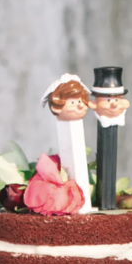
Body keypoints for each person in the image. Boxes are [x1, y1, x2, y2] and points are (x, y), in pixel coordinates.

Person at [41, 74, 93, 212]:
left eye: (82, 100)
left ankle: (83, 205)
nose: (80, 106)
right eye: (73, 102)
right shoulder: (65, 127)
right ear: (56, 107)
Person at [89, 66, 130, 210]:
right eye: (107, 99)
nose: (113, 104)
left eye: (117, 99)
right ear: (93, 104)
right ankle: (103, 201)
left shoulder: (117, 117)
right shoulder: (102, 119)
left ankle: (109, 202)